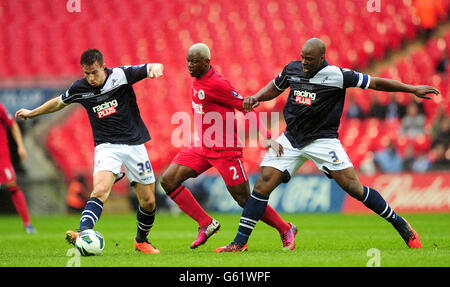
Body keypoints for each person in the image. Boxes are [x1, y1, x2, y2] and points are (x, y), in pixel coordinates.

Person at [215, 38, 440, 252]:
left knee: (354, 188)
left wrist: (412, 89)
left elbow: (375, 83)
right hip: (292, 138)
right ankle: (239, 242)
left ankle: (401, 225)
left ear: (322, 58)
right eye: (302, 57)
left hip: (323, 140)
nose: (304, 62)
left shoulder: (338, 76)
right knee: (263, 184)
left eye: (309, 59)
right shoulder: (292, 69)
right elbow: (275, 87)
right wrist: (256, 96)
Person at [15, 49, 164, 254]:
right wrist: (33, 113)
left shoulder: (120, 75)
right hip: (106, 147)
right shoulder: (80, 88)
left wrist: (156, 68)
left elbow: (150, 67)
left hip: (134, 144)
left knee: (148, 201)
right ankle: (83, 232)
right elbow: (58, 103)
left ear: (103, 67)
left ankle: (141, 241)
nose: (91, 78)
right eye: (87, 73)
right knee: (100, 190)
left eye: (94, 72)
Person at [160, 43, 297, 251]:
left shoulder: (218, 84)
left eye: (194, 61)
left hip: (226, 151)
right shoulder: (197, 80)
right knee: (168, 180)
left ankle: (285, 228)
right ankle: (206, 223)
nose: (189, 65)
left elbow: (246, 107)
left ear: (207, 62)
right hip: (204, 147)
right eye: (188, 61)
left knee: (245, 200)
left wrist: (267, 137)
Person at [0, 103, 36, 233]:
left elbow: (13, 124)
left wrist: (20, 146)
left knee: (12, 185)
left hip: (1, 157)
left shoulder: (0, 108)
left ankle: (27, 224)